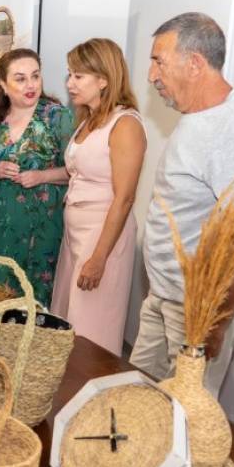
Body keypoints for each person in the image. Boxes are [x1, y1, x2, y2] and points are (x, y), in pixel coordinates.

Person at [129, 13, 234, 395]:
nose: (151, 75)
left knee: (185, 419)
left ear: (195, 63)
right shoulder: (196, 118)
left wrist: (216, 318)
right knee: (139, 400)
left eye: (158, 61)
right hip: (165, 296)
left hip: (199, 311)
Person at [49, 39, 146, 356]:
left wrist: (99, 258)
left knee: (91, 328)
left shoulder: (125, 124)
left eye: (78, 76)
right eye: (70, 75)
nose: (69, 83)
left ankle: (94, 398)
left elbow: (125, 198)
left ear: (103, 78)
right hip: (75, 234)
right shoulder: (88, 121)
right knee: (67, 320)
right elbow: (78, 171)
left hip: (102, 235)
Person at [0, 48, 74, 307]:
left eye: (35, 76)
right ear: (3, 84)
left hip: (43, 232)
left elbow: (76, 170)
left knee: (36, 305)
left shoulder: (57, 117)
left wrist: (41, 176)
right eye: (20, 78)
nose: (30, 85)